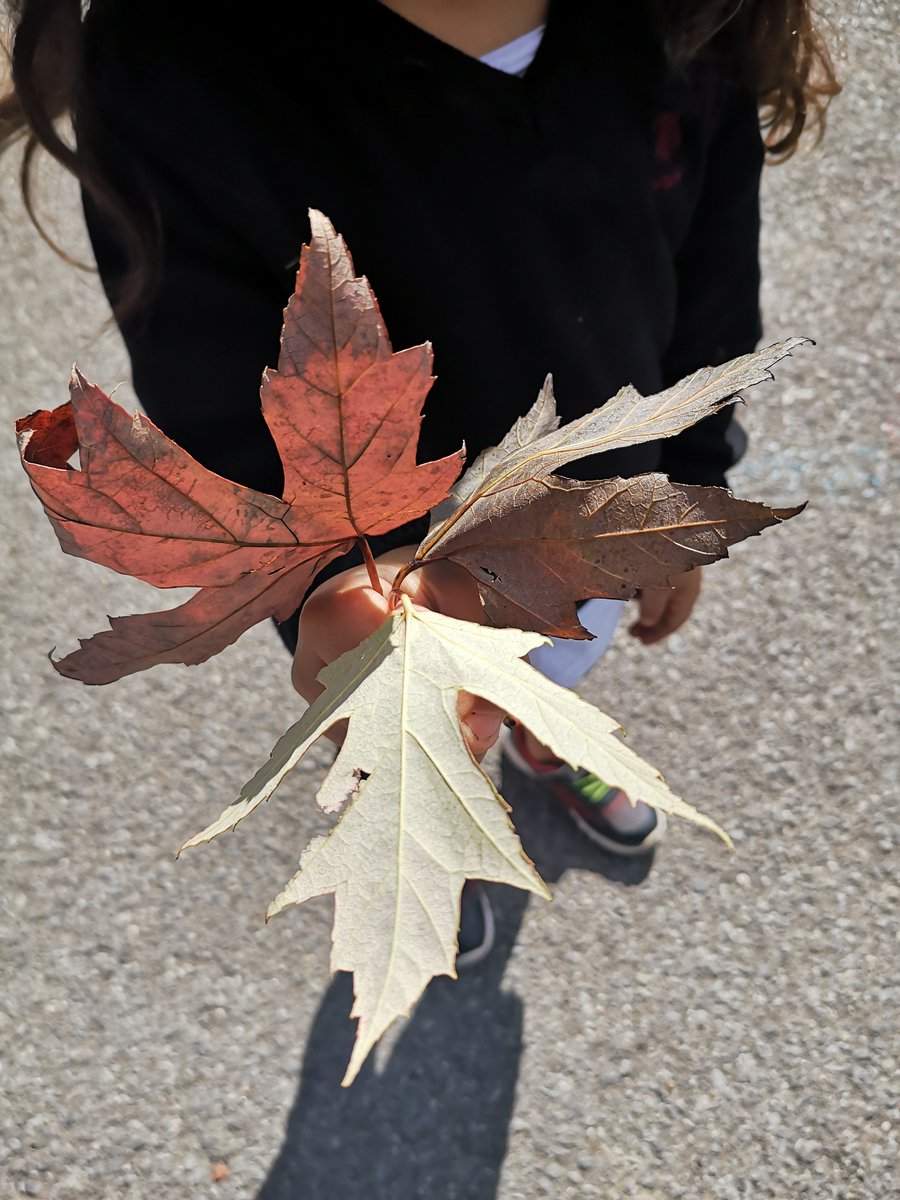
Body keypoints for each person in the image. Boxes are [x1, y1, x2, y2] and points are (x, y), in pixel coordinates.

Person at [1, 0, 839, 962]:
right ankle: (446, 851)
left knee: (560, 671)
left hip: (603, 523)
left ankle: (542, 737)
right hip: (406, 597)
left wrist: (691, 481)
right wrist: (326, 582)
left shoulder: (690, 17)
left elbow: (714, 271)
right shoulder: (178, 66)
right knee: (433, 751)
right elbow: (216, 382)